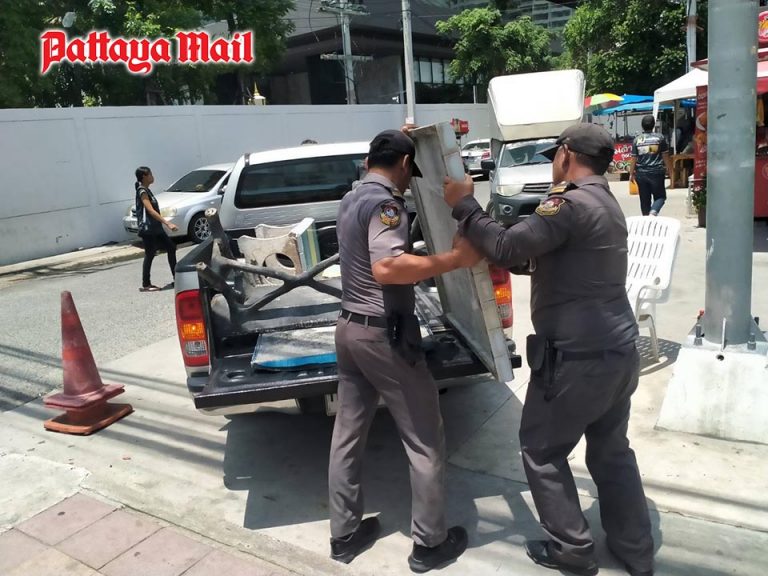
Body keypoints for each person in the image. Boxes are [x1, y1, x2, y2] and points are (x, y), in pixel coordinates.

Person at [443, 124, 654, 576]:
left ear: (566, 154)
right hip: (618, 350)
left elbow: (505, 245)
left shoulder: (568, 204)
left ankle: (573, 551)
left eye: (554, 154)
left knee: (541, 450)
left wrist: (464, 204)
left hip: (577, 358)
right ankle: (636, 551)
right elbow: (546, 256)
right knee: (611, 452)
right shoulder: (605, 201)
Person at [328, 129, 480, 573]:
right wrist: (454, 260)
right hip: (383, 336)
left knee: (347, 435)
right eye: (411, 169)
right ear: (405, 164)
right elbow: (388, 266)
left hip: (349, 329)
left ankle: (344, 534)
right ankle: (430, 544)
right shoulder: (386, 205)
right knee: (424, 438)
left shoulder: (351, 198)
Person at [134, 166, 178, 292]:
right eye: (150, 174)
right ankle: (146, 284)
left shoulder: (147, 190)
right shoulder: (142, 191)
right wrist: (167, 223)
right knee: (150, 254)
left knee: (171, 247)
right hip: (149, 229)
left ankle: (177, 278)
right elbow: (150, 210)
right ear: (144, 176)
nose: (152, 176)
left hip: (156, 228)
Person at [629, 115, 674, 216]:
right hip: (657, 172)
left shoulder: (637, 140)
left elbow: (634, 158)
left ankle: (647, 219)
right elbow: (665, 156)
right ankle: (653, 211)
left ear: (642, 126)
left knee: (644, 200)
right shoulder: (660, 138)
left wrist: (631, 174)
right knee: (660, 197)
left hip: (641, 174)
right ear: (654, 125)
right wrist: (670, 171)